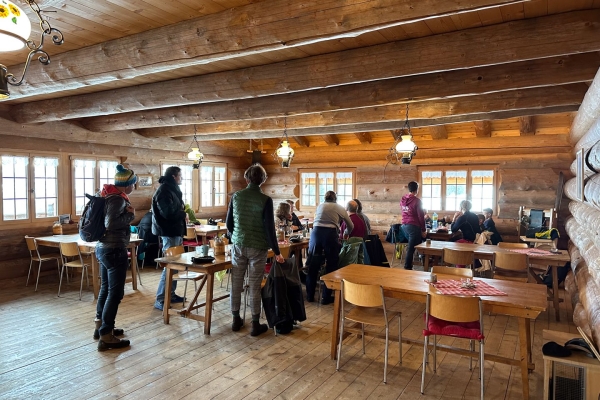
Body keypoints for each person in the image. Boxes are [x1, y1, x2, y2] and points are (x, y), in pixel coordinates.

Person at [226, 164, 284, 336]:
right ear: (263, 181)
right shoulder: (266, 200)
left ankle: (236, 319)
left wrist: (236, 236)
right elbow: (269, 229)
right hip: (258, 247)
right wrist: (277, 251)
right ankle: (255, 323)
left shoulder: (236, 196)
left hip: (238, 244)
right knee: (254, 285)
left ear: (246, 179)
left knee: (236, 282)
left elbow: (229, 223)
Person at [95, 164, 137, 351]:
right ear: (127, 184)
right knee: (115, 293)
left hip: (103, 248)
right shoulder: (118, 200)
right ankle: (106, 335)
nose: (134, 187)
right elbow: (111, 223)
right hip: (114, 249)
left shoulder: (104, 195)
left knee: (105, 288)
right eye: (133, 184)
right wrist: (130, 216)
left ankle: (102, 327)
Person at [306, 191, 353, 304]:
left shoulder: (320, 206)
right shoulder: (339, 208)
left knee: (313, 266)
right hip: (330, 235)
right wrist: (346, 232)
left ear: (325, 198)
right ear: (335, 199)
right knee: (331, 265)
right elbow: (351, 225)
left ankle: (310, 296)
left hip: (316, 233)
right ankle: (325, 297)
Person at [152, 166, 187, 311]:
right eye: (180, 175)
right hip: (168, 232)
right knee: (169, 266)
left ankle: (171, 294)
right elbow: (167, 213)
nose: (182, 178)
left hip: (174, 231)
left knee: (176, 265)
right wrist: (182, 213)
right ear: (174, 177)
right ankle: (160, 299)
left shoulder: (171, 189)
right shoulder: (164, 191)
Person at [401, 181, 427, 270]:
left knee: (414, 245)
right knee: (412, 248)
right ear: (417, 189)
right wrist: (423, 230)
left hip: (404, 226)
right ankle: (407, 267)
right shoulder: (417, 201)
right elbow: (421, 216)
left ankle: (422, 261)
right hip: (413, 226)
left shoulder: (403, 199)